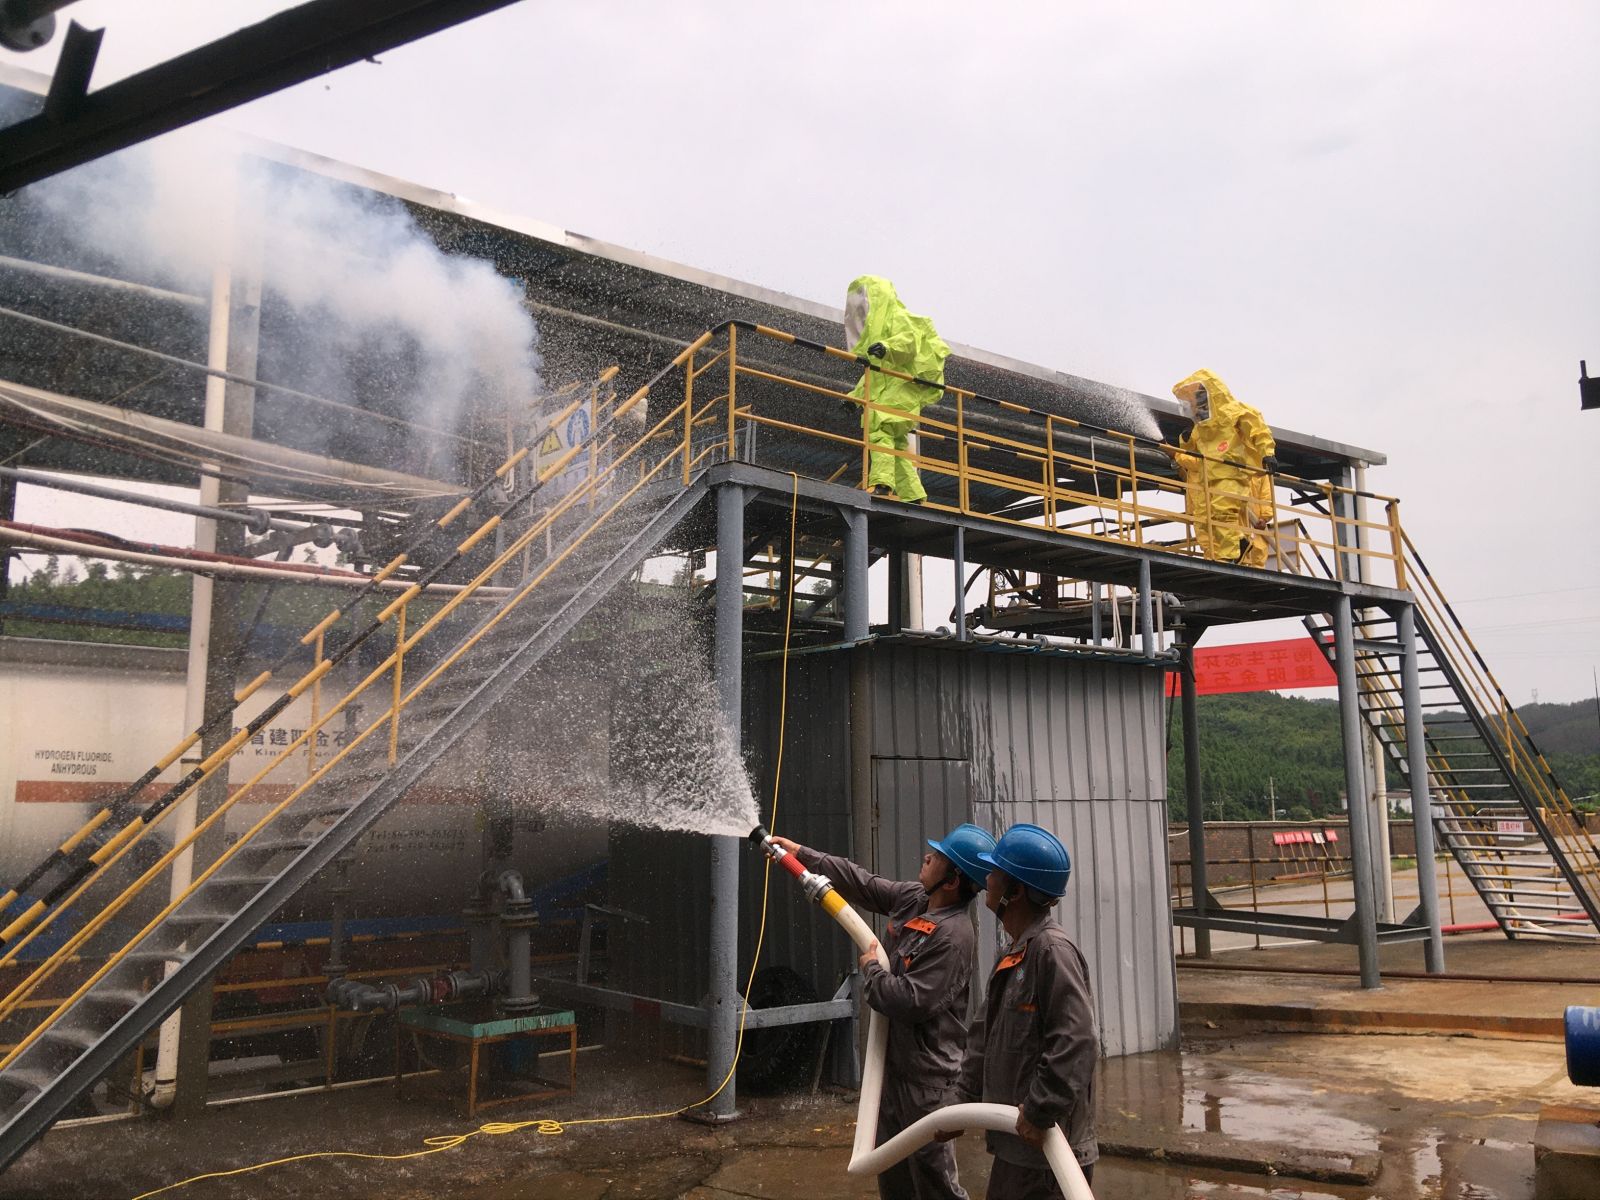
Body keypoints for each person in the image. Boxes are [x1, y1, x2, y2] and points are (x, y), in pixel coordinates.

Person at [767, 822, 995, 1200]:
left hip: (927, 1082)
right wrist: (801, 854)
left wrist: (872, 968)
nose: (927, 856)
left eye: (938, 856)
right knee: (893, 1175)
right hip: (892, 1071)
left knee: (934, 1183)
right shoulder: (916, 899)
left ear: (953, 880)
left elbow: (910, 1001)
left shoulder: (954, 936)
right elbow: (863, 884)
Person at [940, 823, 1097, 1198]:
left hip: (1047, 1155)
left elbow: (1076, 1040)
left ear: (1016, 890)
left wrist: (1040, 1110)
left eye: (995, 871)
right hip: (1017, 1147)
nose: (987, 879)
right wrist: (959, 1103)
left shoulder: (1051, 952)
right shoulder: (1014, 953)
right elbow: (983, 1040)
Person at [843, 275, 951, 503]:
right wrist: (854, 398)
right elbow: (873, 376)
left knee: (879, 431)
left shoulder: (898, 318)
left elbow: (909, 343)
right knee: (897, 446)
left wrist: (888, 347)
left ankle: (882, 484)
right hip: (896, 394)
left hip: (903, 391)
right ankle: (913, 494)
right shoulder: (880, 333)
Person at [1168, 369, 1279, 568]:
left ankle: (1231, 554)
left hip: (1231, 474)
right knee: (1205, 520)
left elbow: (1258, 431)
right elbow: (1192, 449)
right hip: (1208, 479)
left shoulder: (1235, 411)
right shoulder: (1202, 427)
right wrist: (1184, 440)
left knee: (1223, 514)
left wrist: (1267, 453)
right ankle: (1225, 553)